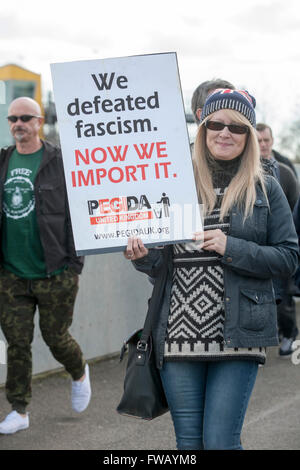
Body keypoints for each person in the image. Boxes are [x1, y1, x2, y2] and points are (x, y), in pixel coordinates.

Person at [124, 89, 299, 450]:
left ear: (249, 136)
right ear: (202, 129)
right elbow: (163, 268)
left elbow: (288, 258)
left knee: (220, 441)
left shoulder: (265, 187)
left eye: (236, 127)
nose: (224, 133)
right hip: (178, 336)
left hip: (238, 335)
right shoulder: (175, 186)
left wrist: (230, 246)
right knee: (188, 443)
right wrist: (142, 256)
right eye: (215, 124)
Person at [0, 97, 91, 435]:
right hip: (10, 274)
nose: (18, 123)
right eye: (12, 118)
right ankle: (19, 409)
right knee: (17, 342)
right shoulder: (3, 160)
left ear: (39, 122)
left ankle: (79, 370)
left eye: (25, 117)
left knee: (55, 337)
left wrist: (74, 265)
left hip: (55, 271)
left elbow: (77, 215)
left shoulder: (60, 162)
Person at [257, 123, 299, 356]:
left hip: (282, 243)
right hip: (258, 247)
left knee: (284, 294)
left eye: (266, 140)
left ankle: (290, 334)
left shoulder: (284, 171)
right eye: (259, 140)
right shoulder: (248, 171)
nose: (263, 144)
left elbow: (295, 208)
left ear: (272, 140)